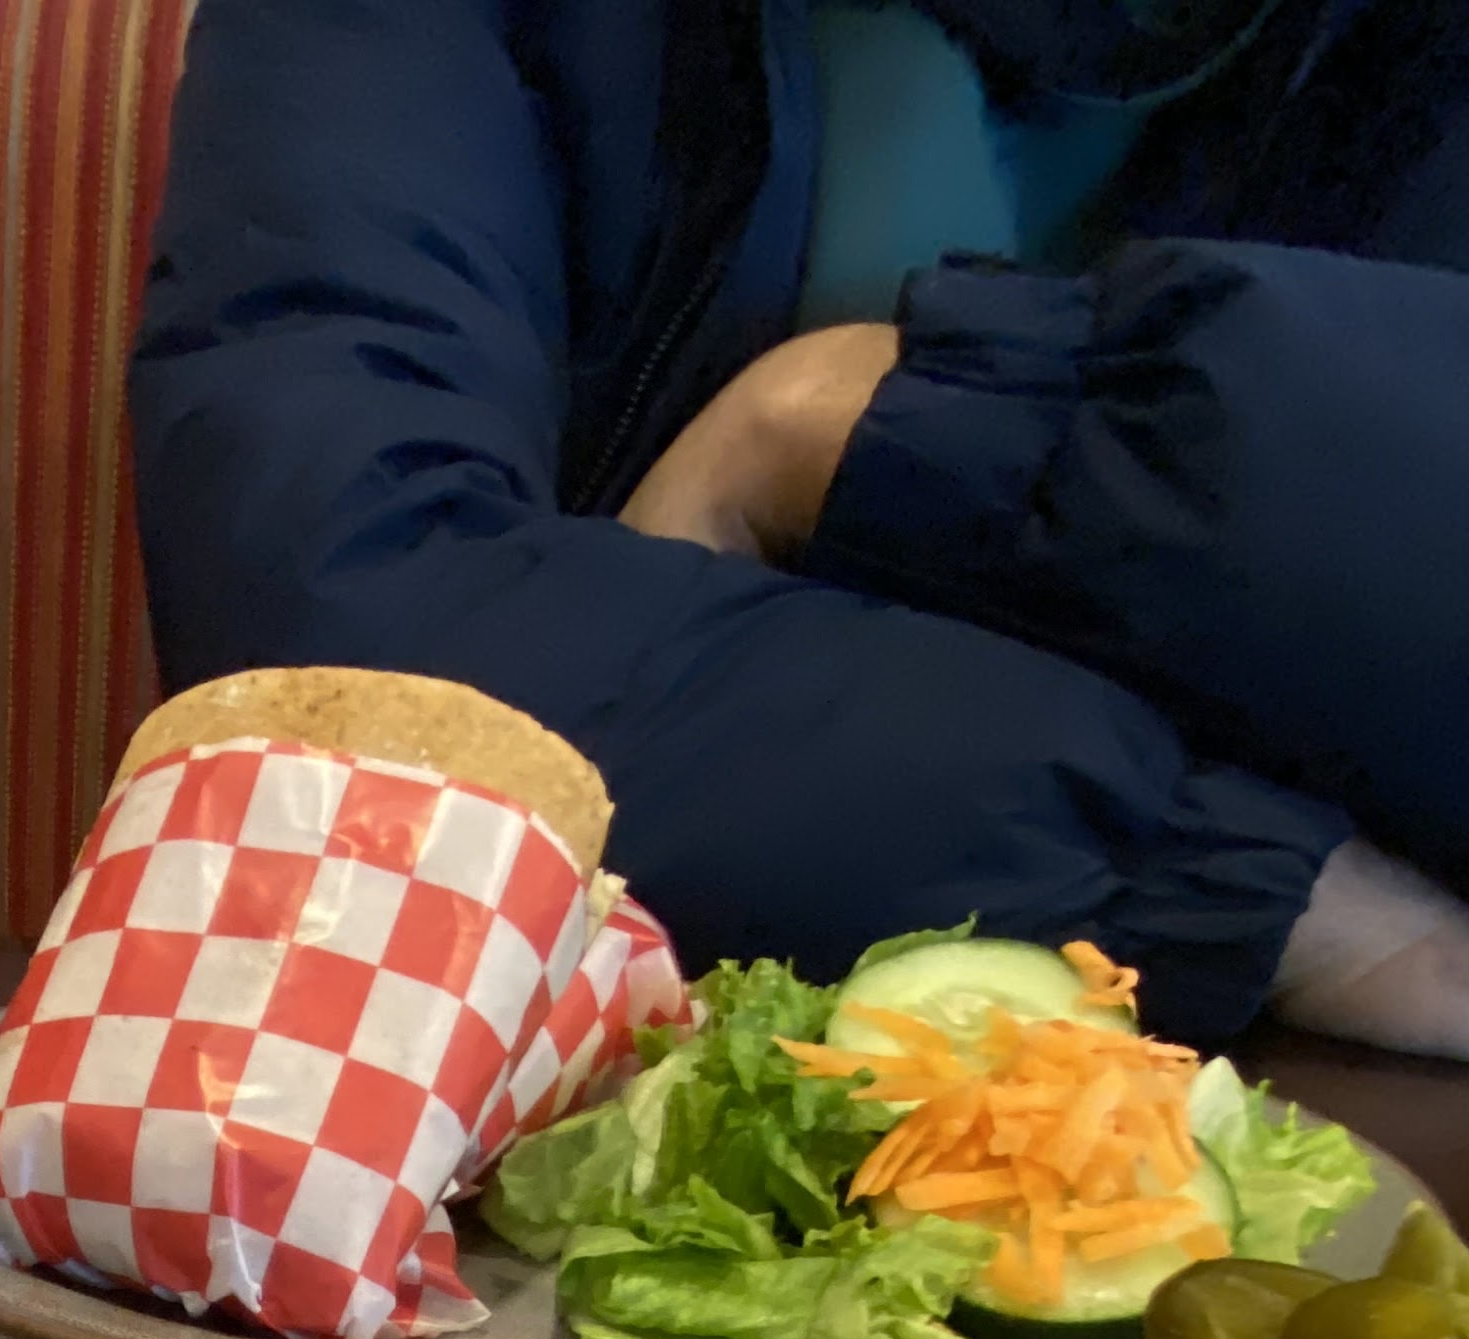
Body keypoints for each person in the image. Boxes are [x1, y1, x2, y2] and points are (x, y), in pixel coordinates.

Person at [130, 0, 1469, 1055]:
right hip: (609, 1117)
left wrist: (856, 426)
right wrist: (1226, 874)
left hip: (1317, 1139)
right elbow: (343, 651)